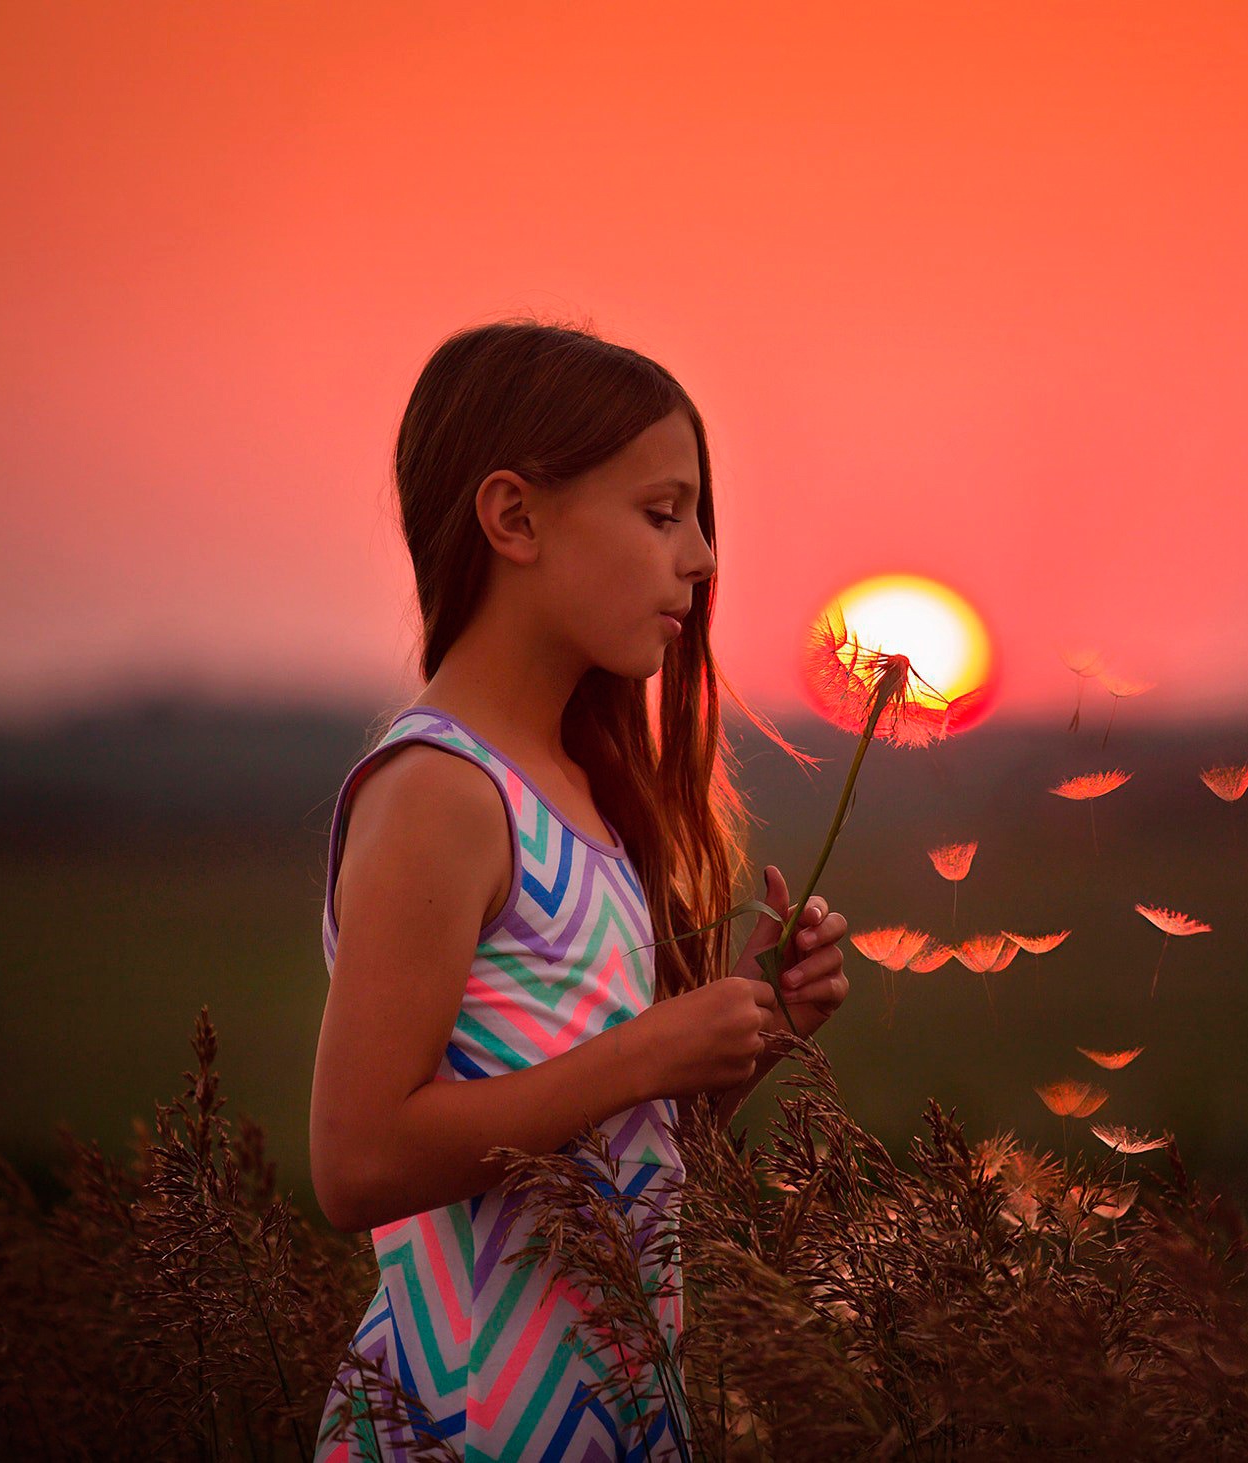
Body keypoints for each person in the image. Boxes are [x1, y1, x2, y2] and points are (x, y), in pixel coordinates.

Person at [308, 320, 852, 1462]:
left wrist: (744, 1034)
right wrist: (649, 1050)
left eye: (698, 520)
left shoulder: (580, 798)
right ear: (513, 518)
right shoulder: (442, 790)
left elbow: (594, 1144)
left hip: (608, 1420)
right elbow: (358, 1159)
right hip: (463, 1429)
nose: (701, 558)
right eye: (662, 514)